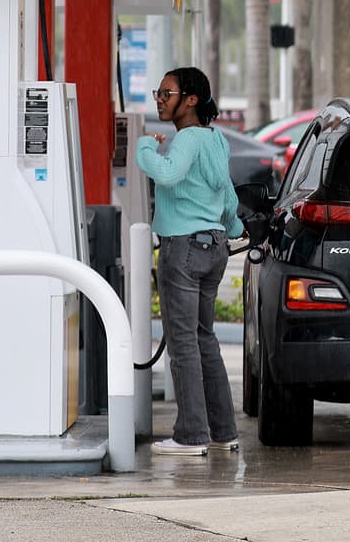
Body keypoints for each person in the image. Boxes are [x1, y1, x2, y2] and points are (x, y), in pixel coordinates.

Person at [136, 67, 244, 455]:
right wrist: (232, 229)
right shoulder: (217, 141)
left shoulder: (185, 141)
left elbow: (167, 174)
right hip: (213, 246)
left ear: (191, 99)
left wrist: (144, 147)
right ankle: (223, 432)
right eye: (158, 93)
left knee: (183, 343)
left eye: (167, 94)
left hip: (182, 248)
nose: (160, 100)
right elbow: (228, 196)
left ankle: (191, 436)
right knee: (204, 340)